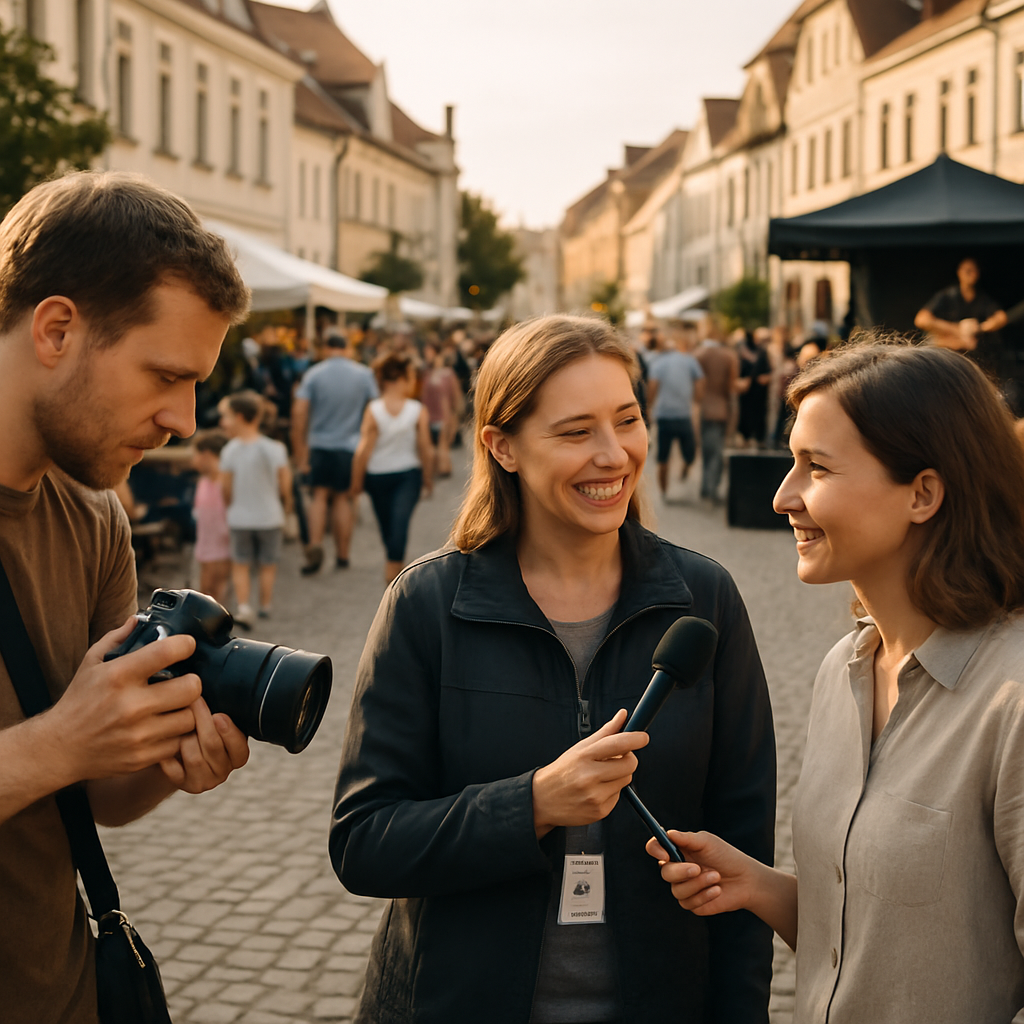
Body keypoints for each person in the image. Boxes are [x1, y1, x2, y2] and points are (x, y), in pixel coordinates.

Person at [331, 315, 776, 1024]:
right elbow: (364, 842)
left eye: (627, 420)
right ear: (501, 447)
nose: (613, 454)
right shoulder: (427, 604)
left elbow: (745, 852)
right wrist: (533, 802)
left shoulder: (704, 599)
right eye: (575, 432)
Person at [649, 337, 1024, 1024]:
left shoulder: (1013, 698)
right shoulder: (842, 671)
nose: (782, 496)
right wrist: (762, 888)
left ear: (923, 493)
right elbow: (881, 947)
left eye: (815, 468)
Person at [0, 171, 252, 1024]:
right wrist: (55, 744)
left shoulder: (95, 516)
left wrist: (165, 761)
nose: (184, 419)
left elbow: (96, 795)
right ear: (58, 329)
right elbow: (56, 753)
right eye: (165, 376)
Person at [291, 329, 378, 574]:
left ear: (325, 348)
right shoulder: (363, 374)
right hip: (350, 445)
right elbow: (374, 408)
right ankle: (343, 555)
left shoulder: (314, 374)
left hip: (319, 443)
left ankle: (315, 545)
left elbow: (299, 412)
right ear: (346, 348)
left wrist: (300, 450)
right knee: (343, 498)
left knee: (319, 496)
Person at [350, 353, 433, 584]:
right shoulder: (416, 410)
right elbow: (425, 448)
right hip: (407, 476)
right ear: (398, 379)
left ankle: (393, 581)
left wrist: (357, 481)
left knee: (394, 529)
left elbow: (363, 449)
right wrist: (428, 478)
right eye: (410, 376)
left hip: (378, 476)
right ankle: (396, 577)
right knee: (393, 529)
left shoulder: (374, 409)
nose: (413, 381)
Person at [218, 391, 292, 626]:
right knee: (268, 563)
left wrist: (229, 506)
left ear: (239, 417)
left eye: (226, 416)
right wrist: (286, 505)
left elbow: (226, 488)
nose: (223, 422)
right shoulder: (275, 448)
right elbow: (285, 484)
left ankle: (244, 606)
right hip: (270, 516)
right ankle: (265, 605)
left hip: (240, 517)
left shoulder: (230, 450)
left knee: (240, 563)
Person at [914, 256, 1007, 368]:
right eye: (967, 270)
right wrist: (957, 330)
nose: (971, 274)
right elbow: (921, 320)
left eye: (974, 270)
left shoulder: (983, 299)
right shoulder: (947, 296)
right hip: (945, 358)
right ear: (959, 272)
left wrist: (979, 328)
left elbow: (1001, 318)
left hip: (974, 360)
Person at [646, 329, 704, 497]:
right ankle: (685, 468)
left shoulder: (657, 363)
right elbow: (700, 380)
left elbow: (652, 387)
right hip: (683, 414)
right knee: (690, 452)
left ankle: (663, 492)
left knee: (663, 457)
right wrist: (697, 399)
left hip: (663, 415)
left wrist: (649, 408)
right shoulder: (688, 360)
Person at [695, 317, 738, 503]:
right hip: (720, 408)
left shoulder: (698, 354)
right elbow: (732, 389)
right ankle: (711, 487)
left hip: (702, 408)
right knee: (716, 452)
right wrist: (734, 414)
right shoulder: (728, 356)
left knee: (706, 450)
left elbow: (695, 388)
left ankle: (706, 486)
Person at [190, 429, 232, 605]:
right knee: (204, 587)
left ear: (206, 455)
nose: (194, 460)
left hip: (222, 542)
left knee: (216, 586)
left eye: (196, 455)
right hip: (205, 541)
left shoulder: (225, 481)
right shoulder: (204, 481)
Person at [420, 340, 462, 478]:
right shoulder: (424, 373)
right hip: (427, 416)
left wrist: (455, 418)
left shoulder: (447, 374)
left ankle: (442, 468)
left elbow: (455, 398)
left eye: (430, 352)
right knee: (431, 448)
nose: (427, 355)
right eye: (426, 352)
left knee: (443, 448)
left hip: (443, 417)